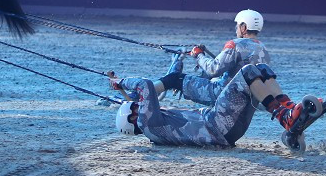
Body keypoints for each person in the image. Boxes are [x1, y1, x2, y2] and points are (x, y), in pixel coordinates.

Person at [110, 62, 310, 148]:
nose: (138, 106)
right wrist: (121, 82)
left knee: (261, 71)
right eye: (134, 109)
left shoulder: (153, 127)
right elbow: (144, 86)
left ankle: (289, 114)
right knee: (249, 72)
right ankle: (284, 116)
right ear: (132, 121)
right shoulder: (147, 124)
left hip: (227, 130)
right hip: (217, 124)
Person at [177, 8, 272, 105]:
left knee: (176, 79)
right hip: (248, 98)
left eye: (238, 26)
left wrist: (198, 55)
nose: (236, 29)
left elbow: (213, 69)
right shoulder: (263, 48)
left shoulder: (235, 44)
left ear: (244, 28)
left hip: (224, 96)